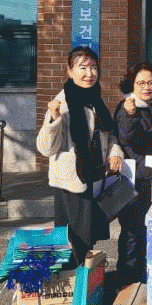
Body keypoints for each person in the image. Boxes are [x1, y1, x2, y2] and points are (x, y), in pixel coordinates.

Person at [36, 46, 123, 265]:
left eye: (93, 67)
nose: (89, 73)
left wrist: (115, 153)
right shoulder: (62, 103)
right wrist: (53, 119)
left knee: (88, 237)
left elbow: (110, 134)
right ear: (69, 71)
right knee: (72, 240)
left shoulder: (96, 100)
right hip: (71, 183)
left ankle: (87, 279)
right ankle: (74, 280)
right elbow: (45, 149)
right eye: (82, 67)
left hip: (95, 178)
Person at [114, 61, 152, 286]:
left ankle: (142, 279)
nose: (146, 87)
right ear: (131, 84)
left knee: (145, 230)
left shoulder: (151, 107)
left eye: (150, 82)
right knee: (132, 231)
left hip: (149, 177)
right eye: (141, 83)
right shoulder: (127, 107)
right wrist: (131, 114)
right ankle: (127, 282)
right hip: (134, 178)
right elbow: (126, 138)